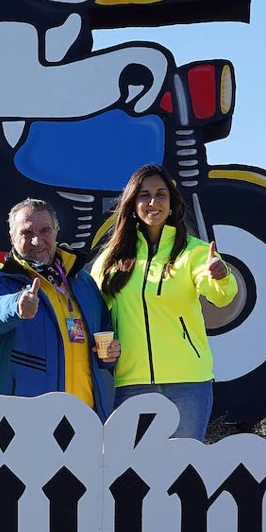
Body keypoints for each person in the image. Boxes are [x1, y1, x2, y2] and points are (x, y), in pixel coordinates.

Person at [92, 165, 238, 440]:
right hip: (131, 382)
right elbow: (94, 312)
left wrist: (222, 276)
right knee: (133, 473)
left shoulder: (193, 252)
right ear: (132, 204)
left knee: (182, 469)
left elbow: (221, 295)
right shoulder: (110, 260)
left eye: (161, 195)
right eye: (144, 195)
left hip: (188, 383)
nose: (153, 202)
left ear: (171, 203)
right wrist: (102, 348)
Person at [0, 199, 121, 418]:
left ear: (57, 232)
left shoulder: (82, 281)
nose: (37, 240)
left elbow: (104, 333)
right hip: (26, 421)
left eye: (45, 230)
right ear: (12, 237)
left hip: (85, 416)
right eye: (26, 233)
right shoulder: (2, 280)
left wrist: (110, 353)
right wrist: (16, 305)